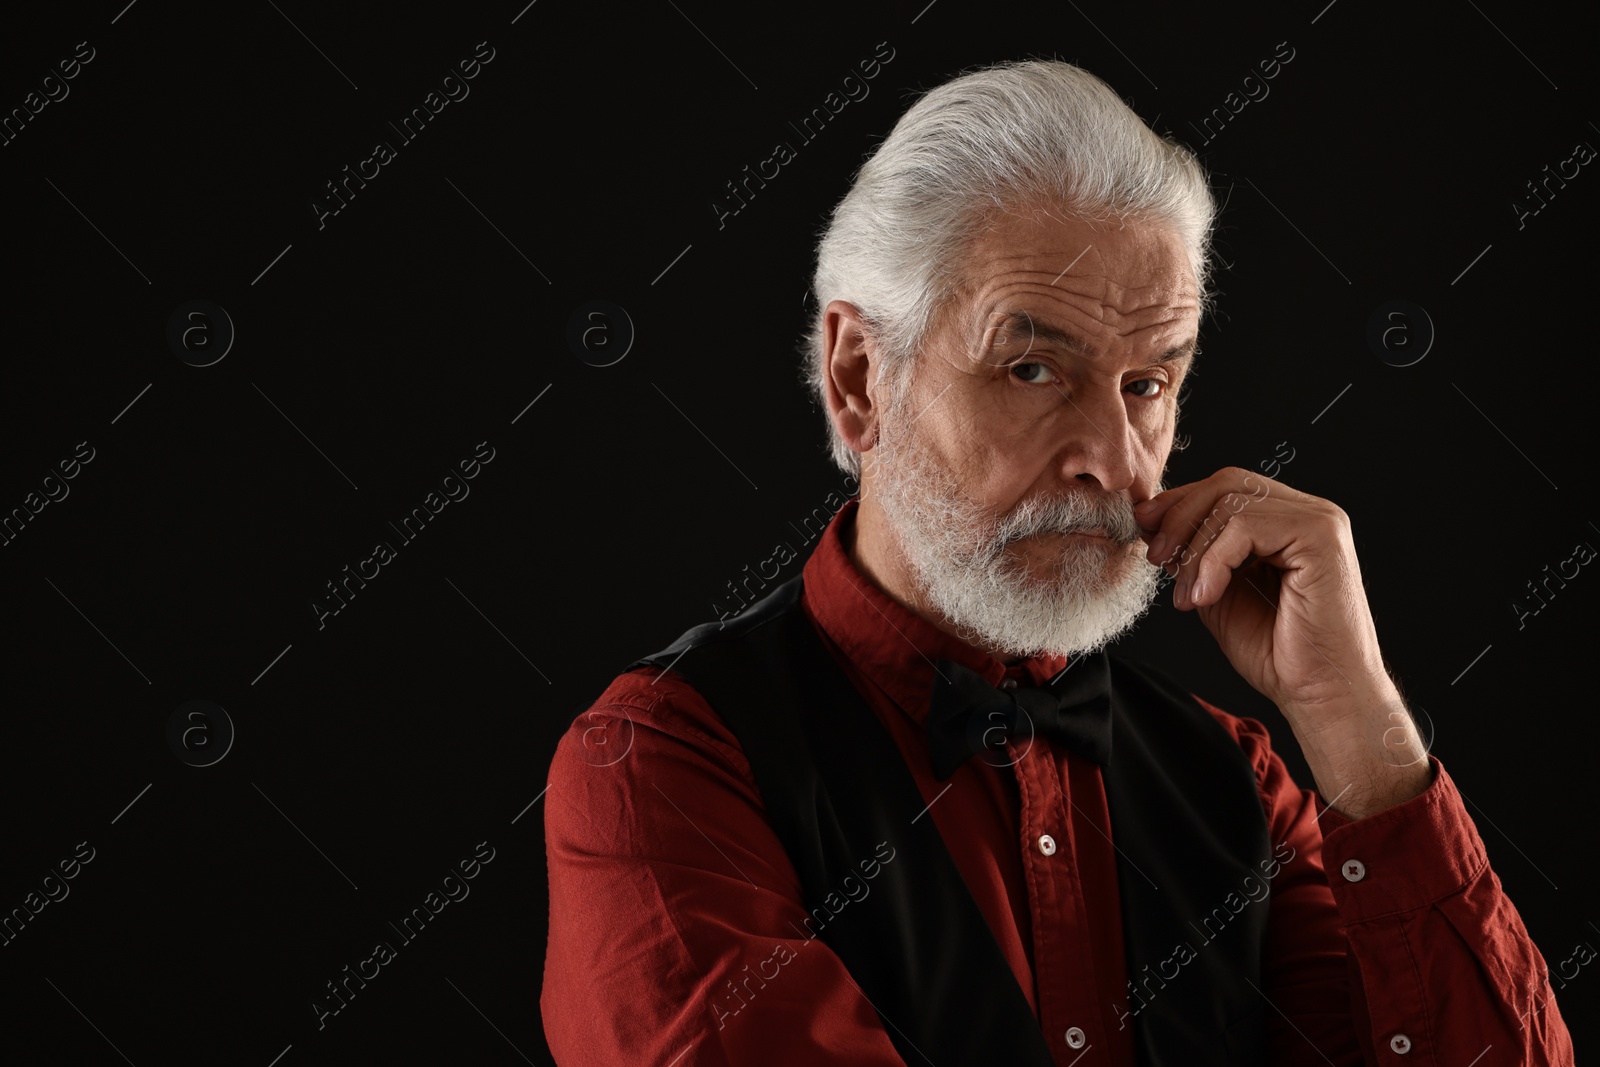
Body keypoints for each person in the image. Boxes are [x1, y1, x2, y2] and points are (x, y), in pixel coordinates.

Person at [540, 60, 1573, 1065]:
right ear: (857, 378)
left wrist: (1358, 724)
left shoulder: (1245, 782)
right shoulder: (656, 764)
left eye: (1146, 383)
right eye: (1032, 368)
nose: (1112, 462)